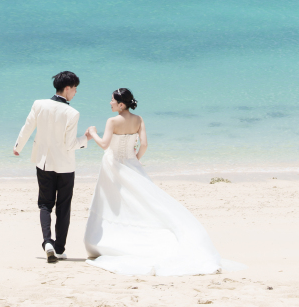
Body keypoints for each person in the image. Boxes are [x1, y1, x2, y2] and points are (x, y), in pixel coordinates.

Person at [83, 87, 245, 277]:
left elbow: (104, 145)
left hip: (113, 166)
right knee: (142, 204)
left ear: (121, 104)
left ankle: (109, 243)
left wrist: (93, 132)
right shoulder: (139, 119)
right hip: (131, 163)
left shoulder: (112, 121)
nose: (109, 103)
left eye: (112, 100)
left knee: (115, 204)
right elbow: (144, 145)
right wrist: (135, 159)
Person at [13, 70, 87, 263]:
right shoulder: (72, 113)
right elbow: (70, 144)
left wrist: (18, 146)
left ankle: (47, 242)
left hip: (43, 162)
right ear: (68, 88)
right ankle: (60, 249)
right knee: (63, 207)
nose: (76, 93)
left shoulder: (39, 104)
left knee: (45, 204)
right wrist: (85, 139)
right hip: (65, 166)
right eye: (75, 89)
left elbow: (28, 126)